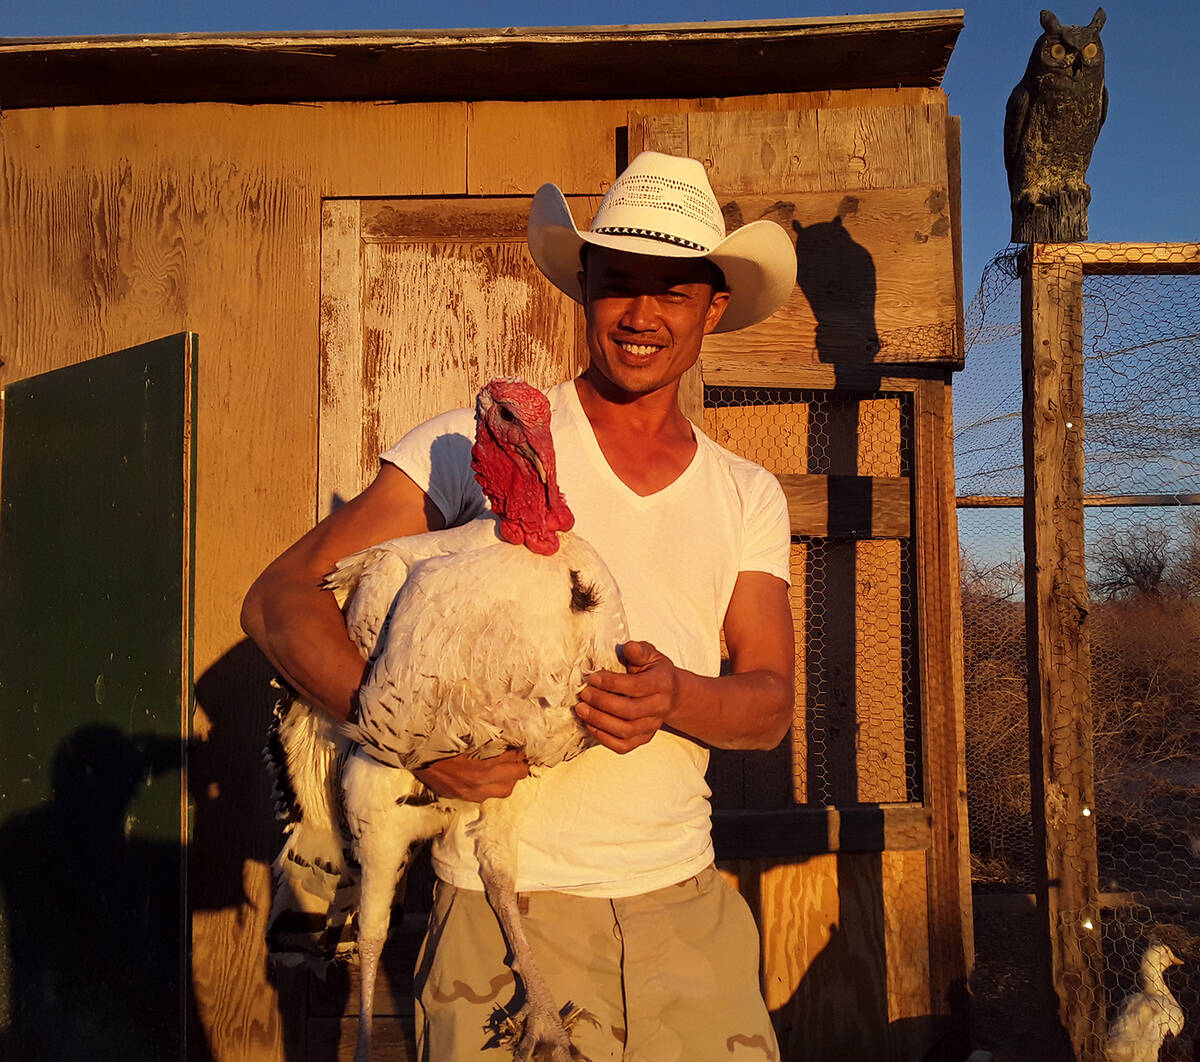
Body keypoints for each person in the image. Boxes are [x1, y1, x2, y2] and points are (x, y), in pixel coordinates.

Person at [241, 150, 798, 1060]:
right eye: (618, 285)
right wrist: (411, 741)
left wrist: (676, 697)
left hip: (685, 908)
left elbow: (769, 704)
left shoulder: (745, 494)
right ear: (584, 289)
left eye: (673, 290)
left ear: (714, 306)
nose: (642, 315)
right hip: (502, 911)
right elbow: (278, 602)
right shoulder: (481, 440)